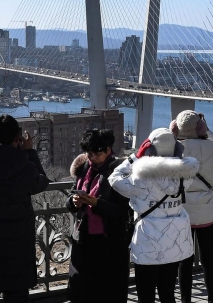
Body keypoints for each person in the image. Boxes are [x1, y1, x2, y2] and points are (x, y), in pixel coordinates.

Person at [109, 128, 199, 303]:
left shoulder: (141, 178)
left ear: (149, 148)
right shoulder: (185, 175)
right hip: (175, 240)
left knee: (146, 294)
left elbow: (114, 178)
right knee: (168, 293)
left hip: (147, 242)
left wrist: (134, 157)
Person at [0, 115, 50, 303]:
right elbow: (42, 183)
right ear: (17, 138)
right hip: (18, 248)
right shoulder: (27, 168)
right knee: (17, 296)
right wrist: (29, 153)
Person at [66, 129, 131, 303]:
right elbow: (70, 200)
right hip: (83, 238)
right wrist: (74, 201)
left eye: (97, 153)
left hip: (108, 242)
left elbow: (123, 211)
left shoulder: (119, 172)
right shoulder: (84, 168)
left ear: (108, 150)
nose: (92, 157)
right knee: (82, 288)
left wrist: (96, 204)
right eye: (89, 153)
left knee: (105, 290)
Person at [172, 111, 213, 303]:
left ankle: (186, 300)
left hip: (183, 211)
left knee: (185, 261)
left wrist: (173, 134)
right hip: (207, 211)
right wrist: (207, 128)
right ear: (201, 128)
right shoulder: (212, 150)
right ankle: (212, 299)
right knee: (208, 260)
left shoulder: (174, 150)